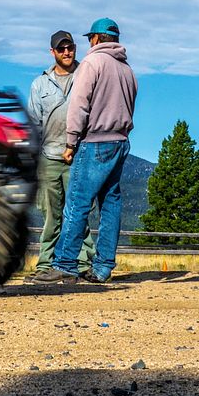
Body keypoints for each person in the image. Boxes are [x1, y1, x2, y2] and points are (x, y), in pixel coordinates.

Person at [39, 18, 138, 284]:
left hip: (94, 141)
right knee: (111, 204)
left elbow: (79, 105)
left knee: (77, 204)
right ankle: (103, 267)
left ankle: (65, 265)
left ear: (96, 38)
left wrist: (71, 143)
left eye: (89, 39)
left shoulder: (92, 64)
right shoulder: (127, 70)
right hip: (121, 142)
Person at [26, 30, 95, 282]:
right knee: (50, 215)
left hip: (80, 156)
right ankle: (46, 265)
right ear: (52, 52)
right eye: (61, 48)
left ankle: (83, 264)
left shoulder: (86, 76)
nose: (67, 52)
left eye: (70, 47)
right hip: (48, 156)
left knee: (79, 212)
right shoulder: (40, 84)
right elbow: (34, 123)